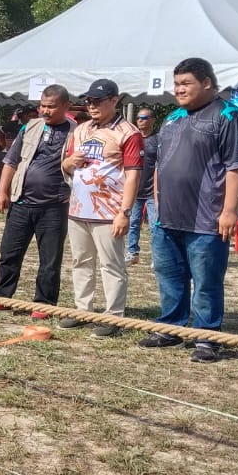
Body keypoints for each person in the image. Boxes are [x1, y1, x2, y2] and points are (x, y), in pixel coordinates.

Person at [140, 58, 238, 364]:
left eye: (185, 83)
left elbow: (237, 167)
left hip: (206, 219)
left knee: (206, 281)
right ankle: (171, 327)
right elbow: (161, 164)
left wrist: (230, 211)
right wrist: (157, 202)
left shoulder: (228, 115)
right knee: (169, 275)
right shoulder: (173, 118)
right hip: (167, 217)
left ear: (206, 83)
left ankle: (207, 337)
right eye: (176, 84)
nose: (179, 89)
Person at [0, 85, 74, 320]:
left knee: (50, 259)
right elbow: (11, 161)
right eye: (42, 106)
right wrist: (2, 192)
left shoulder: (77, 132)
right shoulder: (29, 127)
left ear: (65, 106)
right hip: (21, 201)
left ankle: (44, 304)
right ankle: (1, 297)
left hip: (54, 205)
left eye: (51, 107)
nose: (45, 111)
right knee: (9, 253)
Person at [58, 80, 142, 338]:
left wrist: (124, 213)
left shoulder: (128, 133)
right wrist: (70, 161)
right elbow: (66, 165)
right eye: (88, 101)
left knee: (111, 264)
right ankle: (83, 310)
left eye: (97, 101)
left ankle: (113, 316)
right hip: (79, 208)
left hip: (109, 211)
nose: (91, 106)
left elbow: (133, 175)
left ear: (114, 101)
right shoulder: (81, 129)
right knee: (80, 261)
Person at [126, 106, 159, 266]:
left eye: (144, 118)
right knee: (133, 223)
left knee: (155, 226)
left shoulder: (158, 140)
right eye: (138, 118)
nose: (140, 120)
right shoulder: (133, 138)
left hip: (153, 191)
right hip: (135, 191)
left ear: (153, 120)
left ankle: (157, 256)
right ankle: (132, 253)